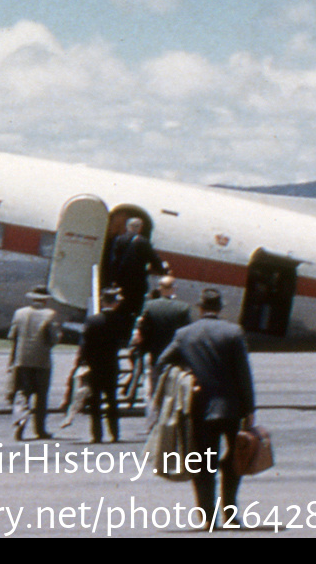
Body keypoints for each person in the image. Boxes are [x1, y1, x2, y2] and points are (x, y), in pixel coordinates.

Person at [156, 288, 256, 529]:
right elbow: (244, 374)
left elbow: (162, 361)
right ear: (220, 307)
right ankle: (231, 515)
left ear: (200, 308)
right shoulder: (233, 332)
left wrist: (187, 371)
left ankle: (208, 518)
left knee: (203, 463)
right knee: (234, 462)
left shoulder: (184, 334)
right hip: (231, 407)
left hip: (199, 407)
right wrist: (250, 407)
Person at [6, 285, 61, 439]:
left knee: (22, 395)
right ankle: (40, 430)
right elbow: (54, 339)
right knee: (41, 397)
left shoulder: (20, 313)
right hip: (42, 361)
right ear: (45, 300)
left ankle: (20, 426)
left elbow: (12, 336)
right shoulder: (50, 315)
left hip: (22, 360)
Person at [75, 287, 125, 443]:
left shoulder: (92, 321)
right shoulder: (120, 321)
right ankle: (115, 433)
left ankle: (97, 434)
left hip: (95, 365)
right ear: (115, 303)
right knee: (112, 400)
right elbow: (122, 341)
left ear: (103, 301)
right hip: (111, 364)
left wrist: (81, 361)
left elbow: (85, 344)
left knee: (95, 401)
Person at [134, 276, 194, 401]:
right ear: (174, 288)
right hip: (176, 357)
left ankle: (155, 416)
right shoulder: (183, 308)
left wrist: (143, 350)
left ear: (159, 288)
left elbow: (143, 330)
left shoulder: (149, 306)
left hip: (155, 355)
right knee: (173, 394)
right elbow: (188, 334)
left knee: (155, 392)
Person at [107, 209, 163, 319]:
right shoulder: (143, 242)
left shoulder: (119, 240)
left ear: (127, 227)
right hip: (137, 283)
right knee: (134, 309)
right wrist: (161, 269)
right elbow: (154, 259)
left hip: (120, 280)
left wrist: (112, 278)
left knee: (119, 305)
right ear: (140, 228)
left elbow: (114, 260)